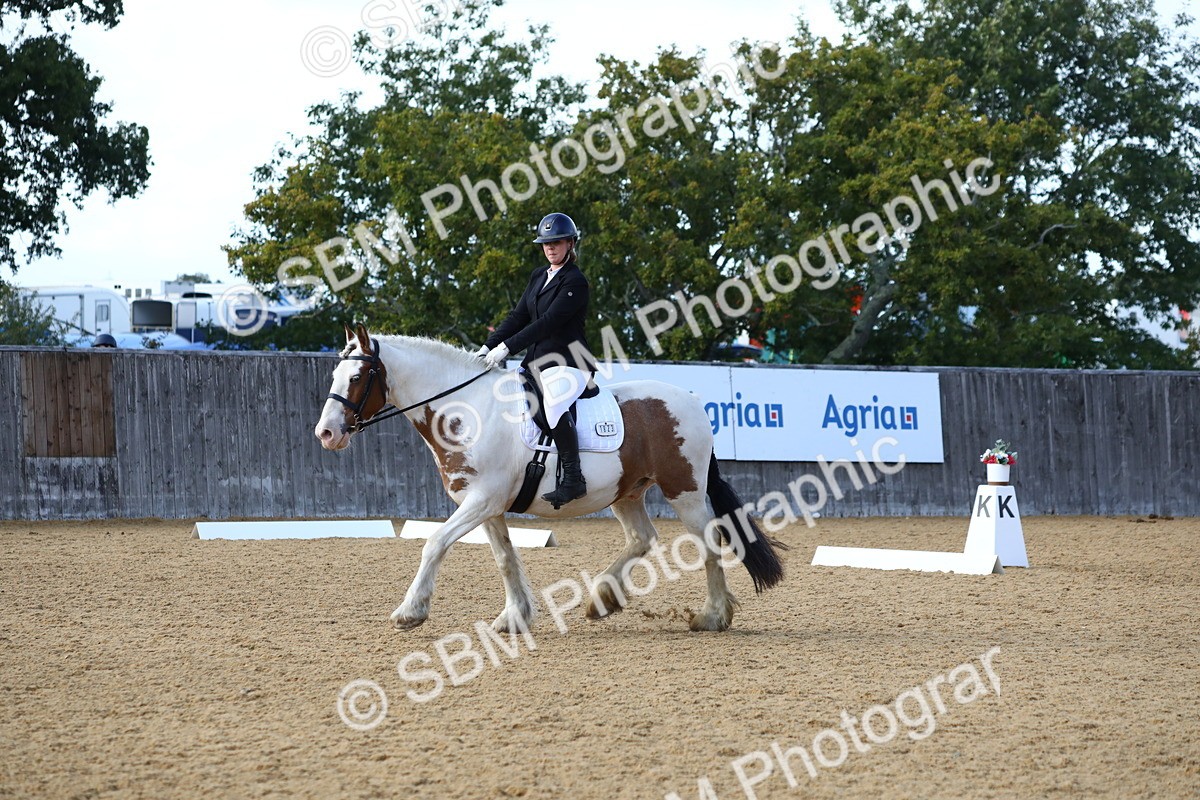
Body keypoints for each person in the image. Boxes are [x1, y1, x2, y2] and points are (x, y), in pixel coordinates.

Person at [478, 212, 597, 508]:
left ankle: (573, 478)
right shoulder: (538, 276)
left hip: (570, 363)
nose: (550, 248)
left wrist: (507, 347)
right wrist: (487, 345)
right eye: (546, 243)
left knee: (554, 402)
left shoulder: (575, 281)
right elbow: (518, 316)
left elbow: (549, 322)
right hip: (536, 364)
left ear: (570, 243)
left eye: (556, 242)